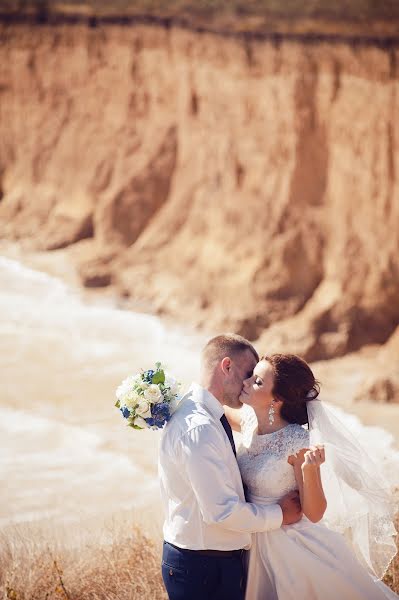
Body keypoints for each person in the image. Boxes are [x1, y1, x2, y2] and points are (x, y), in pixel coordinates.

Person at [225, 353, 398, 600]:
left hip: (292, 549)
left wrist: (309, 470)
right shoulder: (249, 421)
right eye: (251, 375)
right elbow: (214, 406)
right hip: (254, 536)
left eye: (258, 381)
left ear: (278, 399)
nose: (246, 382)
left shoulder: (297, 441)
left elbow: (315, 513)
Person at [159, 335, 303, 600]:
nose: (249, 382)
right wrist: (280, 515)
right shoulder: (200, 428)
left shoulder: (199, 409)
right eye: (248, 373)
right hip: (203, 568)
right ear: (226, 366)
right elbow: (222, 512)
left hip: (207, 560)